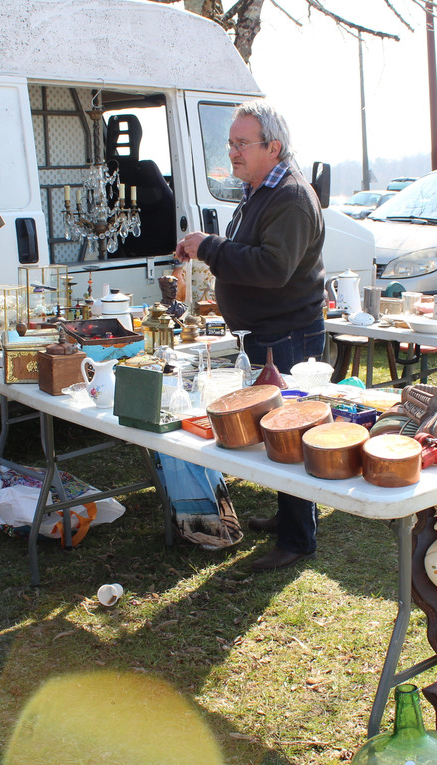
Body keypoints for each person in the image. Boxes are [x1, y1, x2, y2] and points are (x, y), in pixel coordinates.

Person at [175, 100, 325, 572]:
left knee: (290, 434)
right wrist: (212, 248)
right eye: (231, 144)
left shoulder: (292, 198)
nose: (233, 153)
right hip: (269, 333)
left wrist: (210, 247)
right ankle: (290, 518)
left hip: (287, 335)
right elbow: (248, 253)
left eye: (242, 144)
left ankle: (299, 539)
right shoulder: (260, 192)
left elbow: (273, 269)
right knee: (275, 432)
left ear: (273, 147)